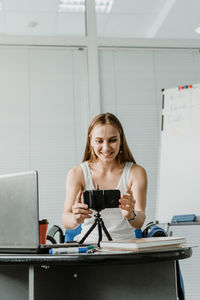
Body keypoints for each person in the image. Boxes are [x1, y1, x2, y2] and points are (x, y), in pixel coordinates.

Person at [62, 112, 147, 242]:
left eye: (112, 140)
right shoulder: (77, 173)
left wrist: (131, 215)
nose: (106, 148)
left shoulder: (136, 172)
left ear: (121, 140)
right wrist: (75, 218)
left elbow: (139, 221)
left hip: (125, 249)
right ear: (91, 141)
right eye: (99, 141)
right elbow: (66, 219)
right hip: (89, 249)